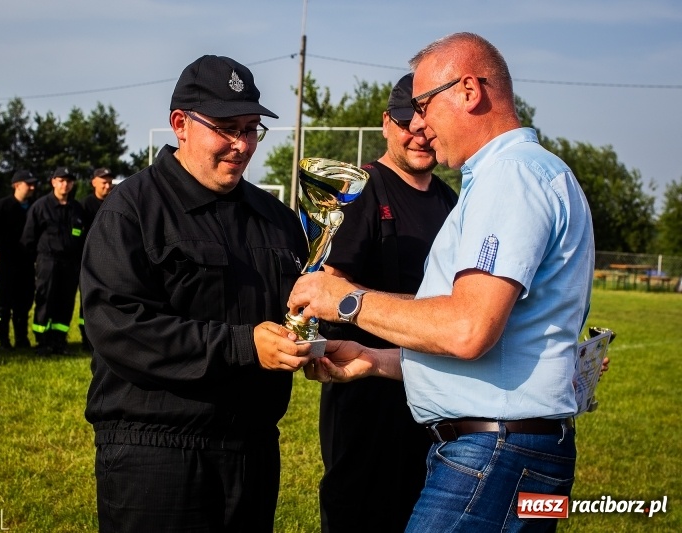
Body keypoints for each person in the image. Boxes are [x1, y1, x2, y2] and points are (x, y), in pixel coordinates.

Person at [289, 32, 595, 532]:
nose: (422, 124)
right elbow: (484, 333)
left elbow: (466, 329)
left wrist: (344, 300)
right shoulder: (526, 173)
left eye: (426, 105)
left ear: (470, 91)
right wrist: (374, 361)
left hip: (495, 454)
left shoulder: (510, 177)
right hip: (509, 449)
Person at [80, 55, 312, 533]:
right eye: (227, 127)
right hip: (157, 451)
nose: (242, 145)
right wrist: (243, 345)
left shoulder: (277, 219)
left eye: (251, 129)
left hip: (252, 450)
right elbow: (118, 327)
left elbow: (298, 310)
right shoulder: (133, 211)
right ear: (180, 124)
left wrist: (317, 337)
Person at [317, 73, 458, 533]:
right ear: (385, 123)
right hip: (365, 389)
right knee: (361, 510)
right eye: (405, 122)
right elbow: (328, 287)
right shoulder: (358, 191)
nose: (417, 134)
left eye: (425, 124)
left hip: (437, 387)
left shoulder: (452, 201)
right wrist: (429, 312)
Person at [21, 167, 85, 356]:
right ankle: (42, 341)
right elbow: (28, 238)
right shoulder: (41, 207)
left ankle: (59, 340)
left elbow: (83, 236)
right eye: (61, 180)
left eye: (69, 181)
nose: (65, 184)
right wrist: (36, 261)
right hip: (48, 261)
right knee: (45, 299)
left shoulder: (76, 209)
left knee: (65, 302)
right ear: (53, 182)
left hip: (70, 263)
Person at [0, 169, 38, 350]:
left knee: (24, 303)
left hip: (27, 263)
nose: (32, 187)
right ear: (16, 185)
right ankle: (3, 340)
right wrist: (4, 250)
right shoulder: (2, 207)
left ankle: (22, 339)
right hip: (8, 262)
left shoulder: (35, 207)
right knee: (4, 303)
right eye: (28, 184)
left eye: (33, 184)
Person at [77, 166, 114, 350]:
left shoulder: (117, 202)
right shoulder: (84, 206)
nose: (107, 186)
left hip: (112, 261)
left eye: (109, 182)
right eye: (103, 182)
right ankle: (86, 338)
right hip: (89, 261)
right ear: (93, 183)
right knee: (89, 301)